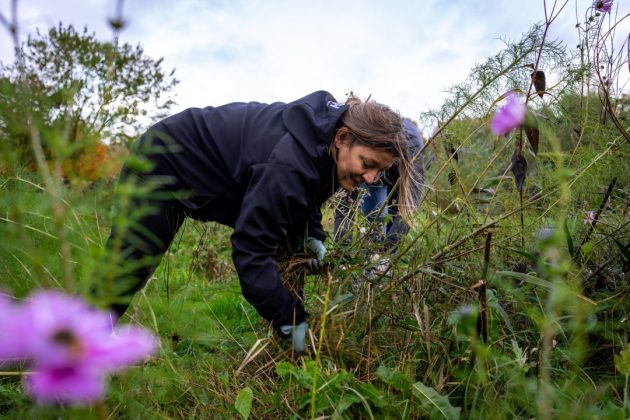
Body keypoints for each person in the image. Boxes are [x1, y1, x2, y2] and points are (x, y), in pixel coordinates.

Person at [95, 90, 421, 353]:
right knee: (132, 260)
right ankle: (74, 346)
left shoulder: (330, 143)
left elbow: (309, 194)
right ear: (342, 137)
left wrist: (313, 234)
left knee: (288, 242)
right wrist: (290, 319)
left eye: (381, 170)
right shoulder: (287, 166)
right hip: (163, 160)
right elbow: (251, 251)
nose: (371, 177)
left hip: (210, 170)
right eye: (368, 164)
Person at [333, 117, 424, 250]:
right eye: (369, 164)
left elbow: (409, 209)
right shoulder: (370, 144)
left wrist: (386, 252)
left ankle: (376, 261)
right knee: (376, 219)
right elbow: (345, 206)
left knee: (390, 220)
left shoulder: (414, 153)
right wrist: (341, 249)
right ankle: (355, 256)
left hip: (403, 175)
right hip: (381, 174)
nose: (370, 177)